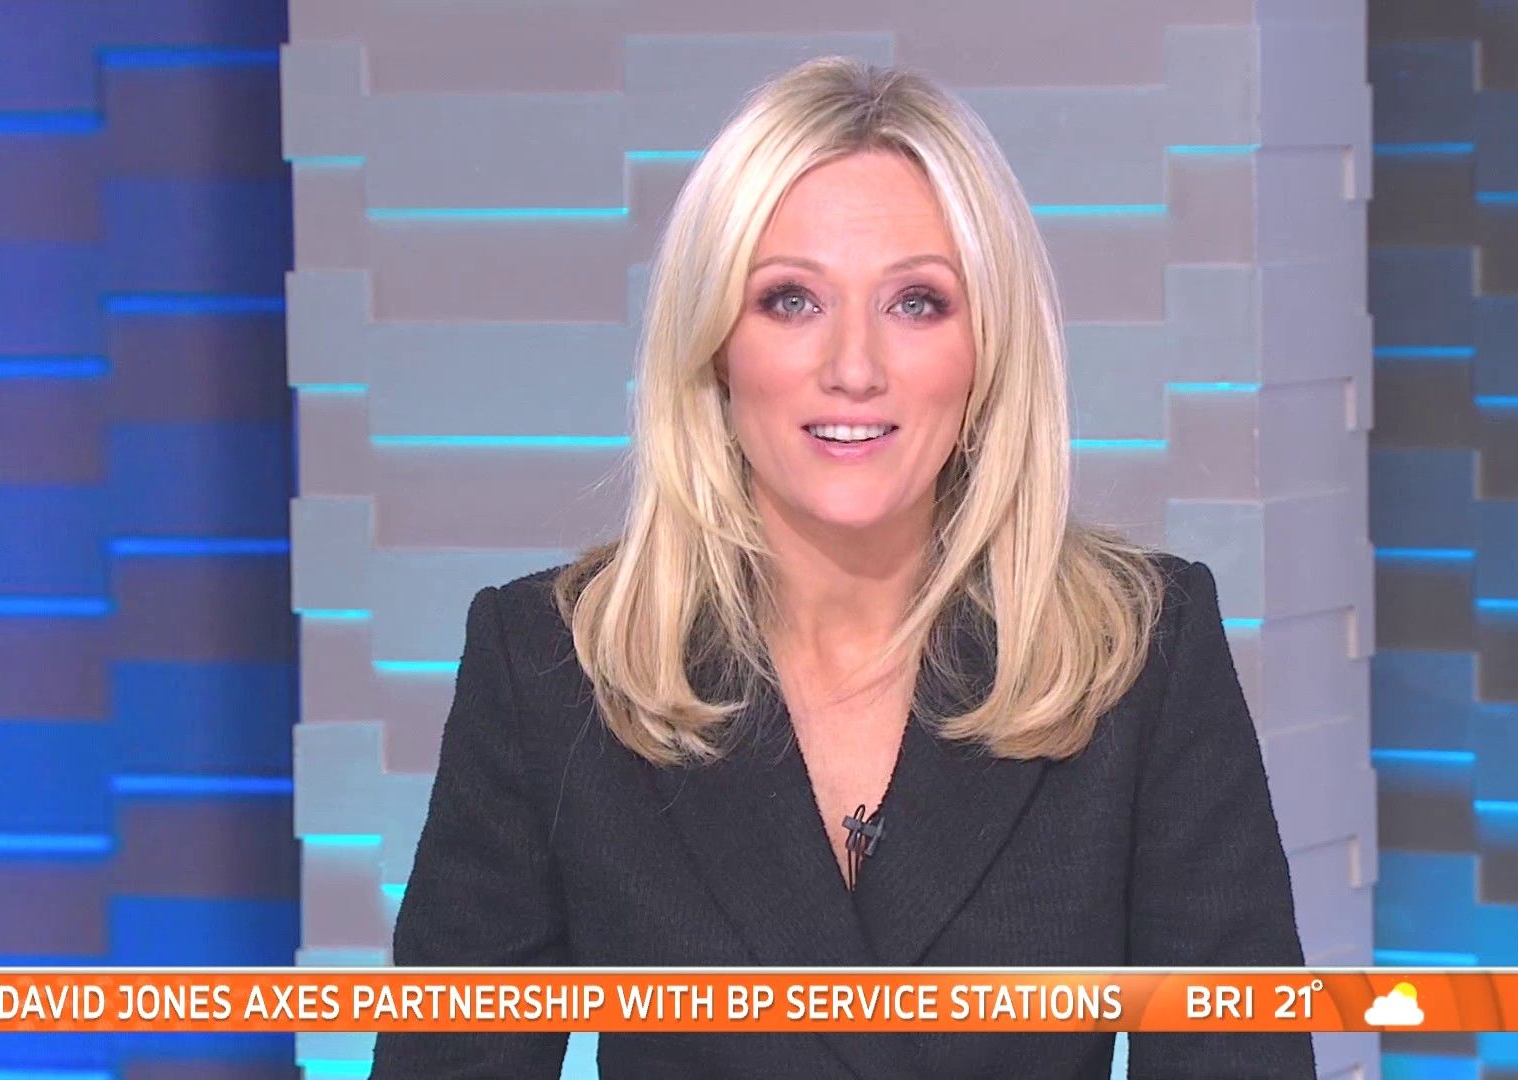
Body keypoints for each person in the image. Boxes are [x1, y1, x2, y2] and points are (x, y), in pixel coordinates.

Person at [370, 55, 1314, 1079]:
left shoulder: (1142, 652)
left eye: (917, 302)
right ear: (715, 345)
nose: (853, 368)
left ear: (988, 349)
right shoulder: (553, 668)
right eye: (790, 301)